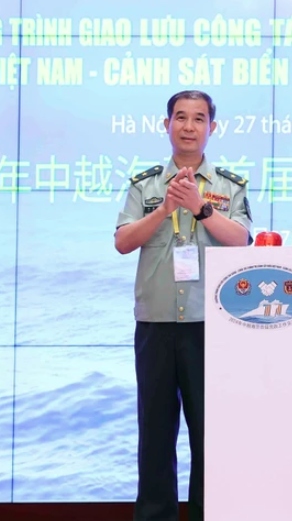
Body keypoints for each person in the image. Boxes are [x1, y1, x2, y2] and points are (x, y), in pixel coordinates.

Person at [114, 90, 253, 521]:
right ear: (166, 125)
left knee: (209, 433)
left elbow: (243, 240)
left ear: (213, 127)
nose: (189, 126)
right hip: (156, 324)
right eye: (180, 117)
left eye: (198, 119)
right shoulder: (145, 184)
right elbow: (122, 242)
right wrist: (166, 209)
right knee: (155, 433)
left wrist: (200, 210)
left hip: (209, 325)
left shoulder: (229, 186)